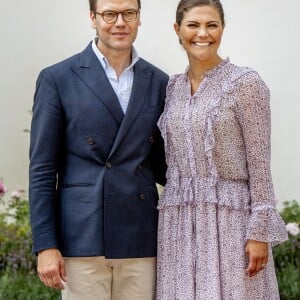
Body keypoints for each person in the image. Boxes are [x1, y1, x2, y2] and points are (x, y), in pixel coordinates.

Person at [29, 0, 168, 299]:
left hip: (140, 236)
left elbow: (166, 167)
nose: (120, 22)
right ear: (93, 18)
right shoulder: (58, 78)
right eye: (109, 14)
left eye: (129, 13)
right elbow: (42, 169)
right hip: (82, 237)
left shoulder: (159, 82)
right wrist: (45, 244)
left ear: (139, 19)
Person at [156, 0, 288, 299]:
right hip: (178, 223)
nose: (202, 33)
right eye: (193, 25)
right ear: (177, 30)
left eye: (211, 25)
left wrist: (259, 232)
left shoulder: (245, 83)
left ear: (223, 29)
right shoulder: (172, 87)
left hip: (231, 220)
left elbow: (259, 161)